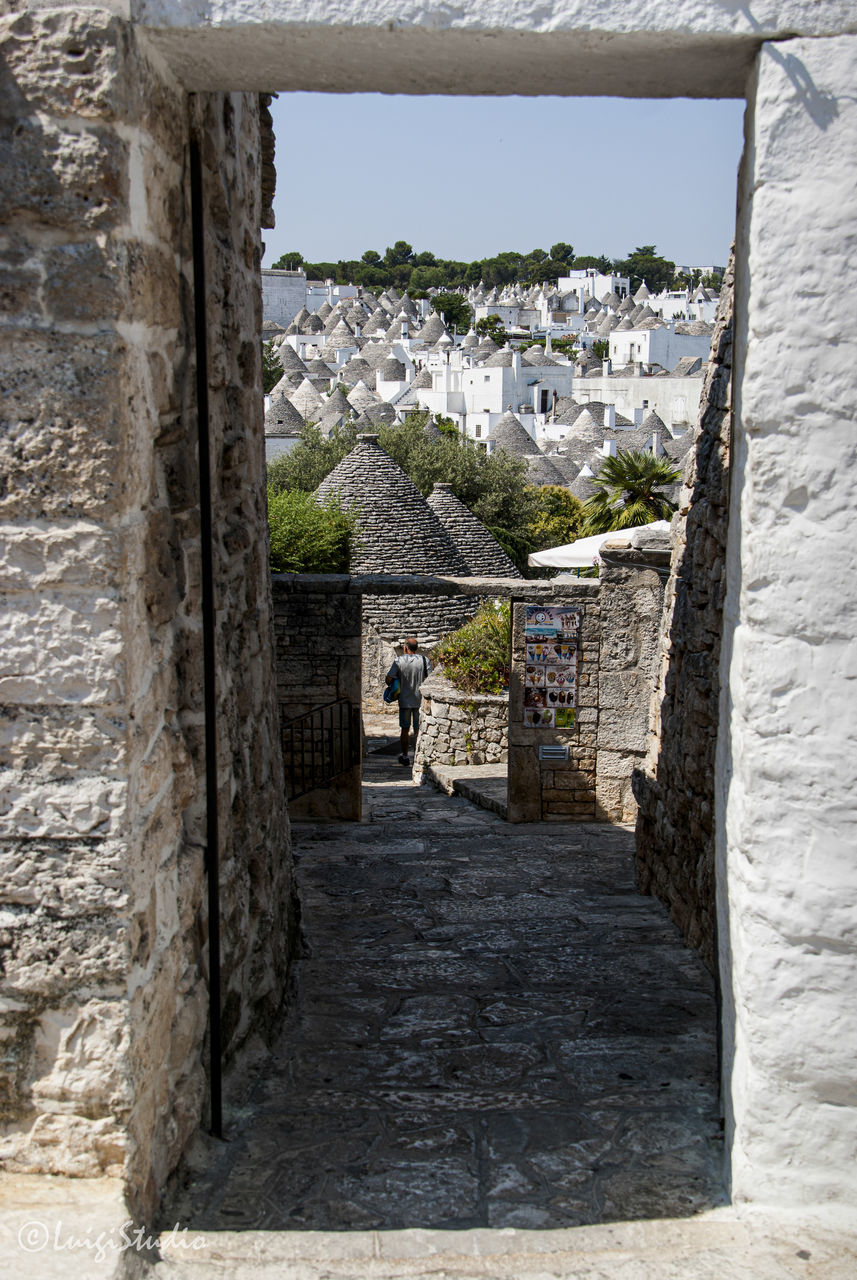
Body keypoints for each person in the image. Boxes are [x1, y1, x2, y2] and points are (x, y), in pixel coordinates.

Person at [386, 636, 431, 766]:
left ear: (405, 647)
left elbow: (389, 679)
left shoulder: (399, 660)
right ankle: (418, 756)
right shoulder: (424, 660)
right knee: (418, 730)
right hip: (420, 701)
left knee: (405, 729)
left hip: (404, 701)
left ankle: (405, 756)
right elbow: (430, 679)